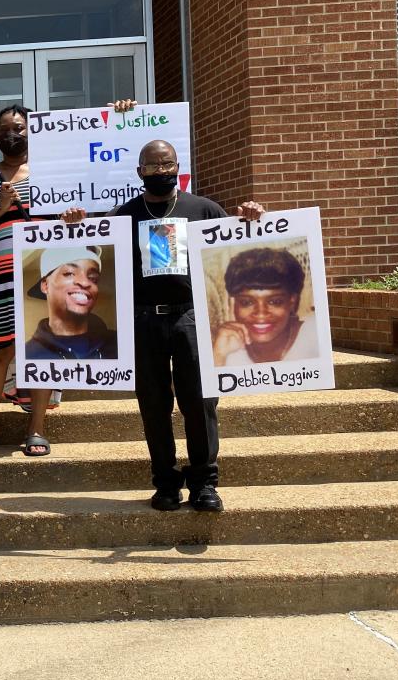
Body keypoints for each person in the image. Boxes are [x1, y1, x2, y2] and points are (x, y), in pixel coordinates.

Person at [63, 138, 264, 512]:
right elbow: (92, 254)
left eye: (166, 164)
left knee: (200, 401)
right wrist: (77, 224)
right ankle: (166, 484)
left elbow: (240, 248)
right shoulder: (123, 215)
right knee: (153, 405)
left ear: (177, 168)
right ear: (140, 172)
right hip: (143, 320)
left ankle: (204, 483)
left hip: (192, 317)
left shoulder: (204, 209)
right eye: (152, 166)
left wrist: (253, 218)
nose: (160, 171)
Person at [0, 100, 136, 460]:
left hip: (45, 275)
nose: (12, 134)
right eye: (5, 130)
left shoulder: (53, 172)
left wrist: (123, 116)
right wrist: (0, 209)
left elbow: (105, 177)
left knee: (42, 351)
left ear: (32, 132)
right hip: (3, 280)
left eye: (19, 128)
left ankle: (36, 429)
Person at [213, 247, 318, 366]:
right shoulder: (227, 349)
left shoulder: (315, 333)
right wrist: (219, 355)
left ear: (292, 301)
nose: (261, 313)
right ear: (232, 304)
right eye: (247, 302)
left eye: (275, 301)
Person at [25, 246, 118, 360]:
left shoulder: (119, 343)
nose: (85, 282)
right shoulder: (28, 355)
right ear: (45, 285)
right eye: (69, 273)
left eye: (93, 278)